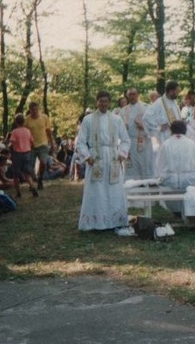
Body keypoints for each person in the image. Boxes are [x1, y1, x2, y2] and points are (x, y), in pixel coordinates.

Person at [77, 90, 131, 231]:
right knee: (97, 190)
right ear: (97, 102)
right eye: (101, 101)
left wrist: (121, 153)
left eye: (106, 101)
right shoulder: (88, 120)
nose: (103, 103)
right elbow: (81, 142)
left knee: (114, 189)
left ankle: (115, 221)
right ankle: (95, 222)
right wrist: (87, 156)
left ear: (109, 102)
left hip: (113, 157)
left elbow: (125, 140)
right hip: (96, 157)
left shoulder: (116, 119)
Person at [156, 120, 195, 215]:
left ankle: (176, 211)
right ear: (185, 130)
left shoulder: (165, 144)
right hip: (189, 180)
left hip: (171, 181)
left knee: (163, 178)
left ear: (171, 130)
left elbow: (159, 165)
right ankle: (192, 211)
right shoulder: (192, 144)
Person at [120, 87, 153, 180]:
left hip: (142, 141)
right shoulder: (123, 110)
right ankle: (131, 187)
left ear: (138, 95)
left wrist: (144, 126)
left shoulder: (146, 108)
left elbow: (154, 125)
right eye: (130, 94)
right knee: (130, 167)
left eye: (134, 94)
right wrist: (123, 128)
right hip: (129, 142)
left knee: (143, 164)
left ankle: (145, 185)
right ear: (127, 96)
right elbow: (118, 127)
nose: (132, 96)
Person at [25, 102, 54, 190]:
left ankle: (40, 179)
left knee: (43, 163)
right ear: (30, 110)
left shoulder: (44, 117)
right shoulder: (27, 120)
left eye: (36, 109)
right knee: (30, 166)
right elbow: (25, 133)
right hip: (32, 146)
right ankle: (32, 183)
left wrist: (52, 143)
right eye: (32, 109)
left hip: (43, 144)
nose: (34, 111)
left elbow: (48, 131)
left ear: (38, 109)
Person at [8, 114, 38, 198]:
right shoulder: (27, 131)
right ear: (23, 122)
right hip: (27, 153)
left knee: (16, 174)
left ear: (16, 122)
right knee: (27, 173)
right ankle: (32, 186)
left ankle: (18, 192)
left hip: (17, 154)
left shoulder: (14, 132)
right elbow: (32, 142)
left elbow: (12, 142)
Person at [143, 80, 181, 147]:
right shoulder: (159, 103)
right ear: (171, 91)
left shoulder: (174, 102)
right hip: (164, 137)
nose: (177, 94)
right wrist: (159, 127)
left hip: (175, 135)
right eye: (176, 92)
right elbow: (146, 118)